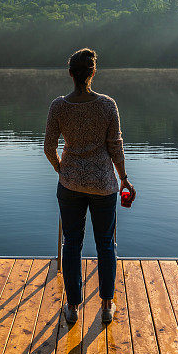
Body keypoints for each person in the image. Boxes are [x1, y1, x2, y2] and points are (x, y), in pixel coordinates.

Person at [44, 48, 136, 325]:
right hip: (103, 184)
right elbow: (115, 145)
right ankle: (107, 305)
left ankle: (72, 308)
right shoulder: (107, 105)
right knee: (105, 244)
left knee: (71, 244)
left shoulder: (58, 106)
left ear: (71, 74)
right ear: (93, 73)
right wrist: (124, 179)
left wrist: (63, 170)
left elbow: (49, 148)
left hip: (70, 183)